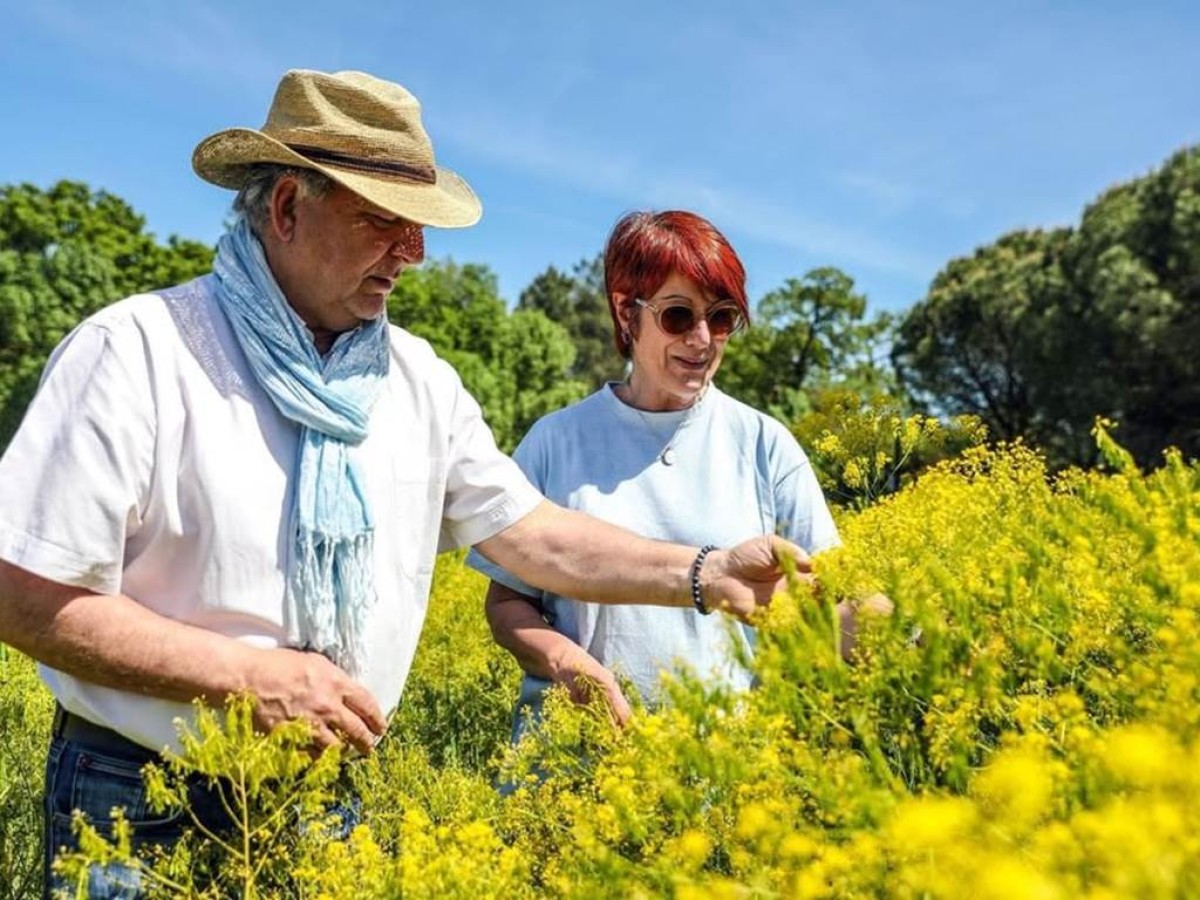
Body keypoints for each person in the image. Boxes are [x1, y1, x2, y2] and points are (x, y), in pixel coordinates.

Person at [0, 71, 810, 896]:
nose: (414, 252)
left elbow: (532, 536)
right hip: (139, 800)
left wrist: (703, 574)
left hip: (327, 797)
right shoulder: (137, 351)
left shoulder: (418, 380)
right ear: (286, 208)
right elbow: (19, 588)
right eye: (384, 219)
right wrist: (248, 678)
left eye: (417, 225)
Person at [469, 210, 867, 742]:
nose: (702, 339)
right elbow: (506, 604)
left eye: (722, 317)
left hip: (723, 772)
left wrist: (924, 632)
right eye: (678, 315)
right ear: (624, 313)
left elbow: (830, 601)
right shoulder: (555, 440)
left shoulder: (764, 444)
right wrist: (564, 662)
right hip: (573, 763)